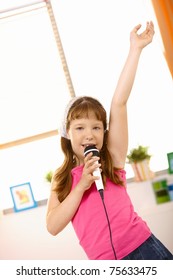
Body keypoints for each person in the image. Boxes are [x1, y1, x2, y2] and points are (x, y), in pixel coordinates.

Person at [46, 21, 173, 260]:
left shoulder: (112, 158)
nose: (89, 134)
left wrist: (135, 49)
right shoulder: (62, 177)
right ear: (66, 132)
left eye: (96, 127)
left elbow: (119, 103)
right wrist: (81, 185)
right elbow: (52, 226)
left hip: (144, 251)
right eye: (80, 127)